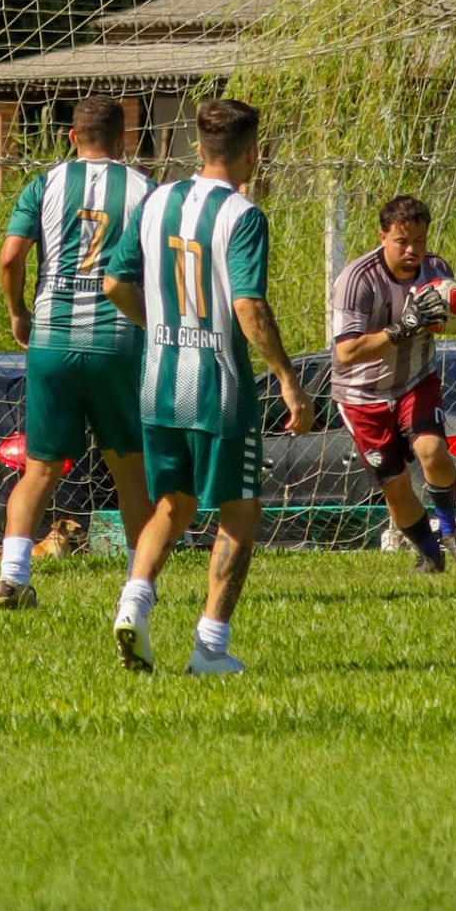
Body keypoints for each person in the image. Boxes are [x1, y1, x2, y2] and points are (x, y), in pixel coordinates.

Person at [101, 97, 314, 676]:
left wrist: (159, 326)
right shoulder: (243, 215)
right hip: (220, 387)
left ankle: (133, 604)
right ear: (253, 153)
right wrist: (288, 379)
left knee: (172, 504)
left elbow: (115, 282)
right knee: (239, 511)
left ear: (198, 147)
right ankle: (209, 649)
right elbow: (247, 305)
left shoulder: (154, 200)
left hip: (158, 382)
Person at [0, 92, 154, 610]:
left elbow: (10, 256)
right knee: (130, 469)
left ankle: (13, 576)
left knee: (40, 466)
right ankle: (137, 584)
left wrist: (18, 311)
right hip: (116, 342)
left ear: (71, 137)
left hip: (52, 340)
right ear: (124, 139)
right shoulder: (144, 190)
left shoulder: (44, 184)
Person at [330, 193, 456, 573]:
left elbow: (447, 317)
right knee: (395, 488)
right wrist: (403, 328)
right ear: (382, 236)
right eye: (402, 241)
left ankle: (449, 530)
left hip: (416, 379)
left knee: (433, 451)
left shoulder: (435, 269)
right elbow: (347, 351)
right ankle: (429, 553)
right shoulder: (356, 280)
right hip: (361, 395)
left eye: (420, 241)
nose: (412, 250)